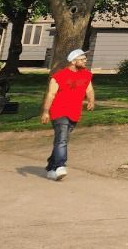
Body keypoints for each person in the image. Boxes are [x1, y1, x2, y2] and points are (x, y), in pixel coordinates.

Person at [40, 48, 95, 180]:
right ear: (73, 61)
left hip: (75, 112)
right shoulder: (59, 76)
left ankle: (51, 167)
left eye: (85, 59)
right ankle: (60, 166)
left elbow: (89, 89)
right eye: (82, 59)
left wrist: (91, 100)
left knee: (62, 140)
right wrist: (46, 112)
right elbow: (51, 94)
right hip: (59, 111)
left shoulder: (86, 75)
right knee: (62, 140)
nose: (85, 61)